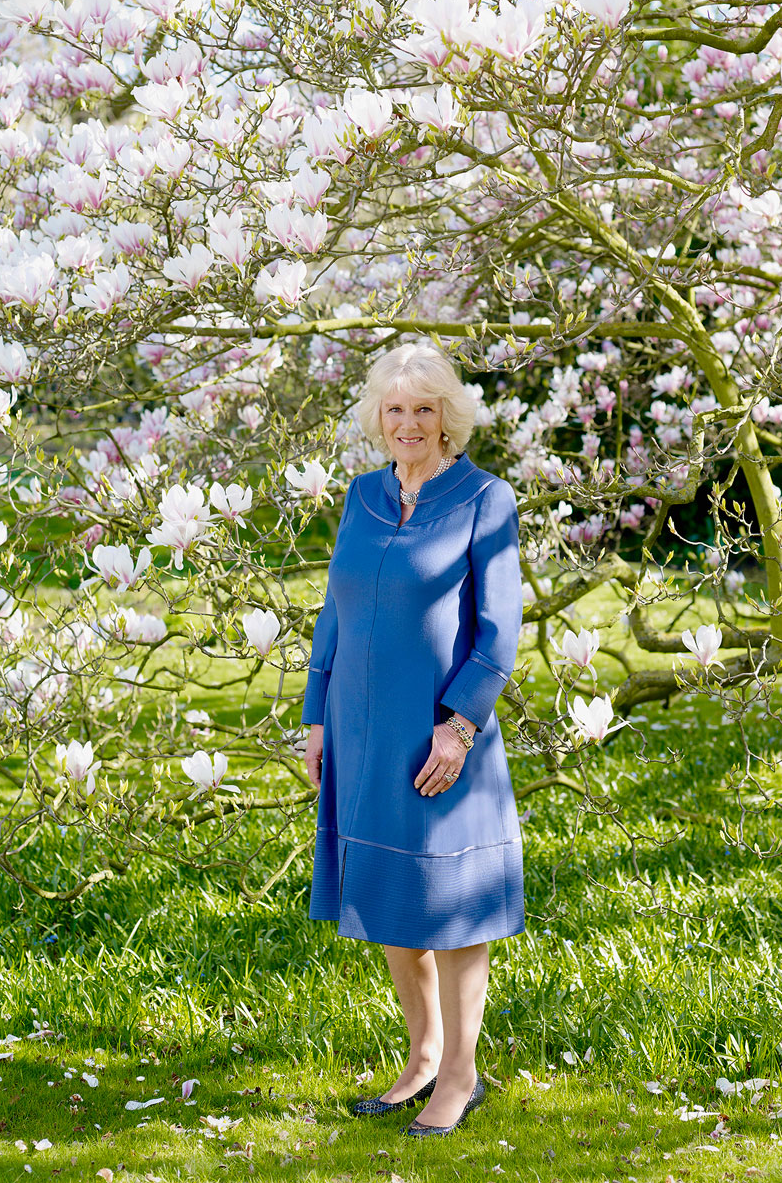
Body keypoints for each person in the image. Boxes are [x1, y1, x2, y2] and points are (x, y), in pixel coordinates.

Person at [301, 339, 525, 1139]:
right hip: (361, 735)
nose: (408, 423)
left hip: (441, 738)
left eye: (423, 408)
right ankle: (423, 1056)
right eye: (394, 409)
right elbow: (333, 614)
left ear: (447, 418)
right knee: (391, 905)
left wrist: (460, 727)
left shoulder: (484, 498)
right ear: (377, 419)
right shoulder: (360, 498)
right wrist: (316, 716)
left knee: (453, 911)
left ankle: (461, 1074)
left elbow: (499, 634)